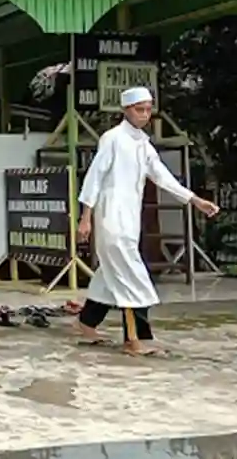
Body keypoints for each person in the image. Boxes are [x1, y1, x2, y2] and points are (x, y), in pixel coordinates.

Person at [75, 86, 220, 356]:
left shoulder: (142, 143)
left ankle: (86, 323)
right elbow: (93, 177)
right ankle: (135, 339)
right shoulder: (113, 139)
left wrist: (194, 200)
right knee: (133, 278)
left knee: (110, 275)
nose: (145, 114)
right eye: (139, 109)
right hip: (111, 218)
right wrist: (86, 218)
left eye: (148, 109)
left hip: (130, 219)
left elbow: (162, 176)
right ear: (126, 110)